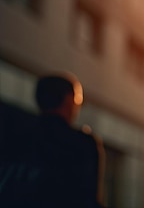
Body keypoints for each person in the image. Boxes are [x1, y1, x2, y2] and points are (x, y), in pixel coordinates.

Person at [0, 73, 104, 208]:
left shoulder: (13, 134)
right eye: (78, 101)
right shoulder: (82, 145)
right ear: (68, 100)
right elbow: (88, 200)